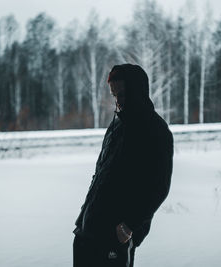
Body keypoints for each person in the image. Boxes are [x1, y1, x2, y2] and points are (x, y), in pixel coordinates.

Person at [73, 63, 173, 267]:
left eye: (123, 94)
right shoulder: (117, 125)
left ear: (137, 92)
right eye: (114, 95)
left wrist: (130, 225)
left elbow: (159, 187)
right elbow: (101, 172)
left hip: (115, 235)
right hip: (89, 228)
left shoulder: (155, 130)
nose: (118, 101)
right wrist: (85, 215)